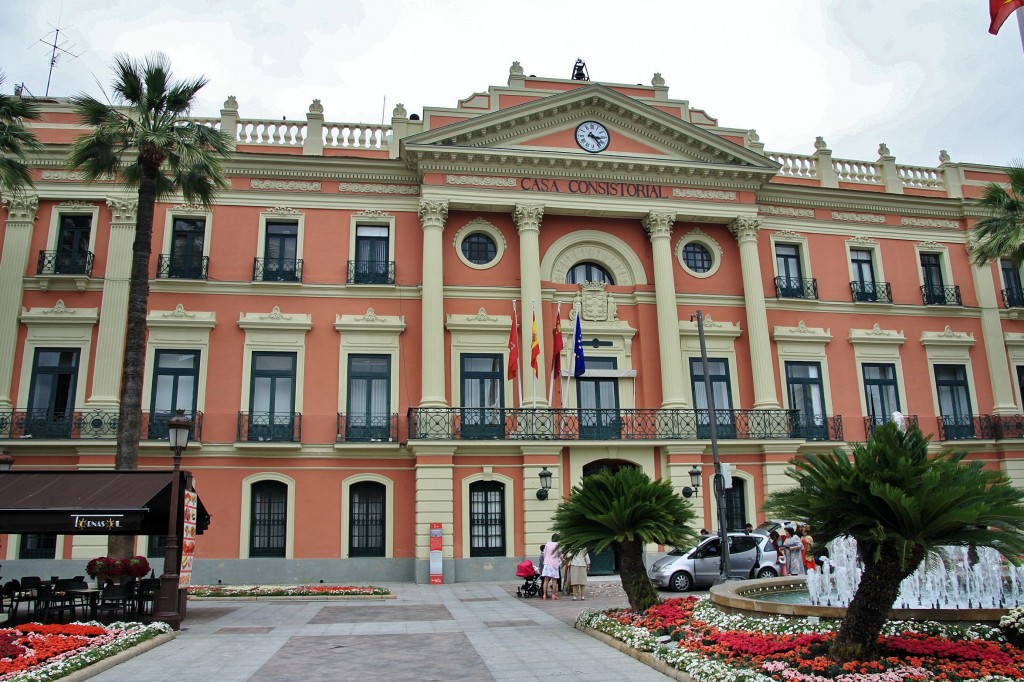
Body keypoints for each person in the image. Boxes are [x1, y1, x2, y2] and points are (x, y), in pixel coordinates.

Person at [540, 534, 562, 600]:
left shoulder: (547, 545)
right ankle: (553, 595)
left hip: (547, 563)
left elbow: (544, 554)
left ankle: (544, 595)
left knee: (546, 580)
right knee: (554, 580)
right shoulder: (557, 545)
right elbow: (560, 554)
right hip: (554, 564)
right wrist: (562, 558)